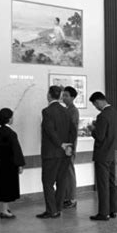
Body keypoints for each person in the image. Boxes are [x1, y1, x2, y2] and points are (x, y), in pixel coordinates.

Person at [36, 86, 76, 219]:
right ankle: (58, 208)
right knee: (61, 181)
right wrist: (69, 146)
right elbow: (73, 130)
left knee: (47, 182)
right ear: (59, 96)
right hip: (65, 154)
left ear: (49, 95)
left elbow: (49, 130)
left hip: (51, 154)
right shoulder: (66, 111)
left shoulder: (46, 111)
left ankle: (51, 210)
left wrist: (61, 144)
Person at [88, 92, 117, 221]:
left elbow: (100, 136)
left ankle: (103, 213)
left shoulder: (102, 116)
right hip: (112, 153)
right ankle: (113, 210)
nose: (96, 107)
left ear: (98, 101)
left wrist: (92, 129)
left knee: (102, 185)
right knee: (112, 183)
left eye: (95, 104)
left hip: (102, 155)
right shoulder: (116, 114)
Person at [0, 108, 25, 219]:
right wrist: (20, 164)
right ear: (9, 119)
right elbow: (16, 150)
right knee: (7, 189)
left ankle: (5, 208)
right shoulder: (11, 133)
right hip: (9, 165)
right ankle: (4, 211)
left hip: (0, 164)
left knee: (2, 188)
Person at [62, 86, 79, 209]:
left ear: (73, 97)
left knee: (70, 172)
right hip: (64, 146)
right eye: (63, 95)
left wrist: (70, 147)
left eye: (67, 95)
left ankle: (72, 199)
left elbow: (72, 131)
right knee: (65, 173)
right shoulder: (66, 110)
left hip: (69, 146)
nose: (64, 97)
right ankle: (66, 197)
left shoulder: (73, 111)